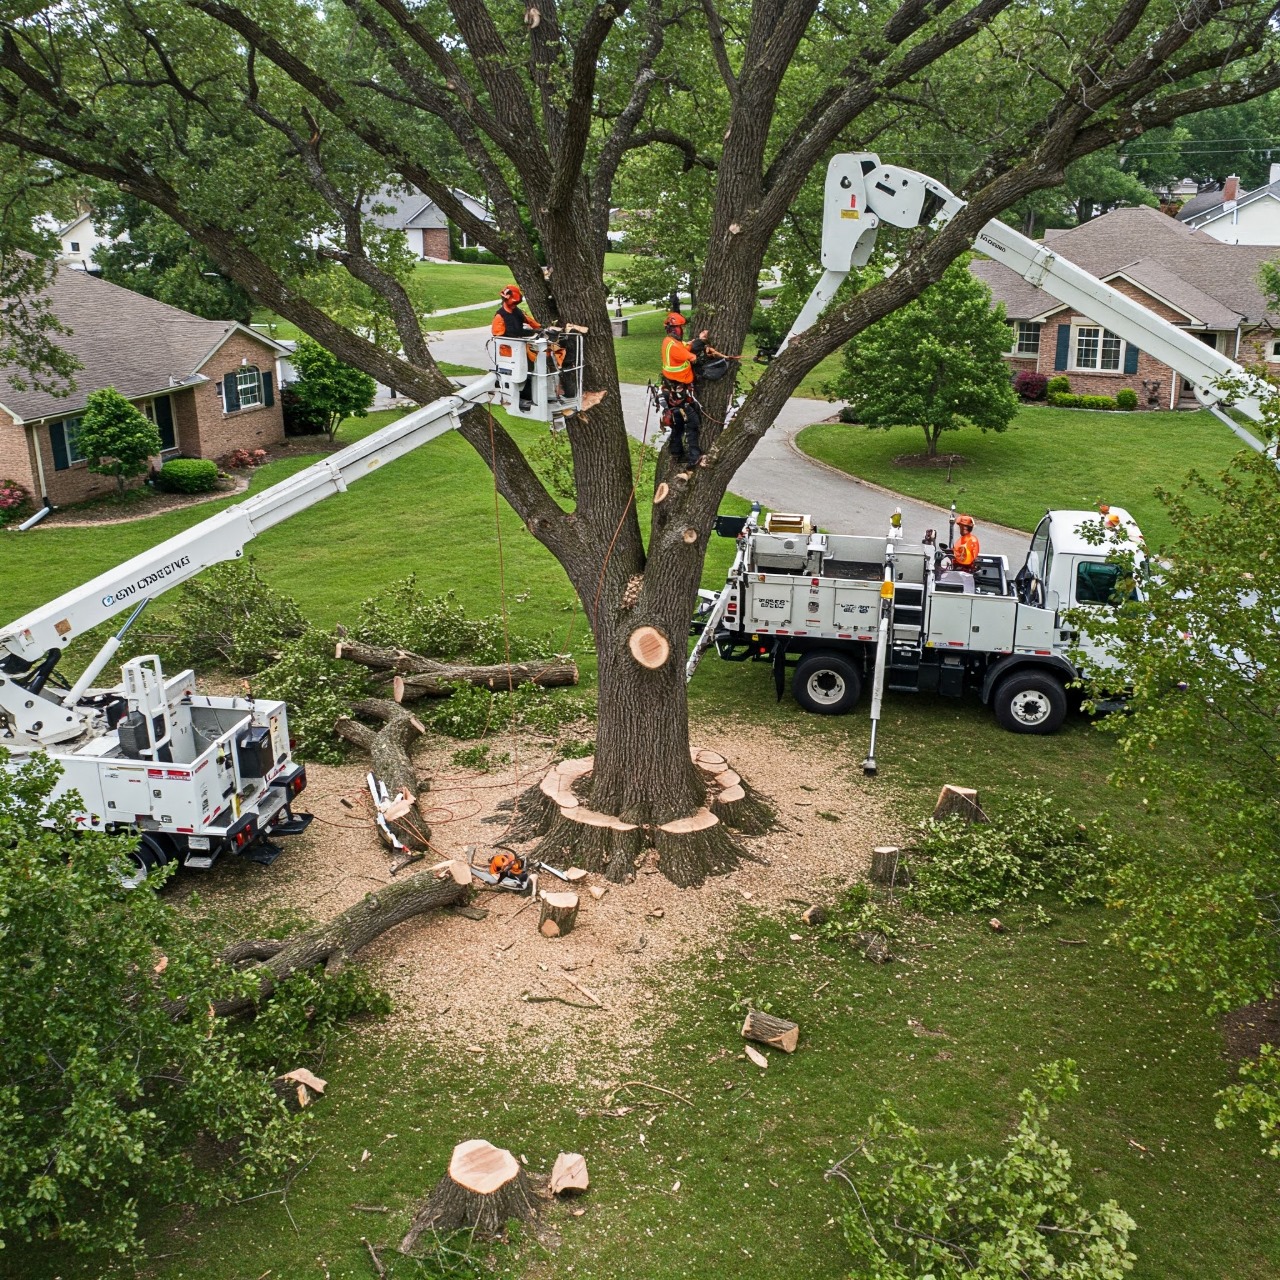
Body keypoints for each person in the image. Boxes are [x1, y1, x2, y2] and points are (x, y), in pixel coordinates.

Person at [660, 312, 709, 463]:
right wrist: (706, 350)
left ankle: (676, 452)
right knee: (692, 422)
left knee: (678, 422)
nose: (682, 330)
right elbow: (694, 358)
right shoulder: (674, 346)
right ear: (675, 329)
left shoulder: (669, 342)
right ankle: (694, 455)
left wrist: (699, 341)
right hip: (678, 391)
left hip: (673, 389)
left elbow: (686, 347)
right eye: (681, 328)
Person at [493, 284, 541, 410]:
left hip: (520, 349)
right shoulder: (500, 316)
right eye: (513, 303)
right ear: (507, 299)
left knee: (531, 372)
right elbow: (500, 337)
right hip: (508, 354)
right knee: (517, 376)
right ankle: (520, 399)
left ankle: (530, 397)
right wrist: (529, 333)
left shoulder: (517, 311)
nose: (515, 306)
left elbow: (529, 321)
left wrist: (540, 328)